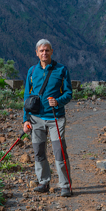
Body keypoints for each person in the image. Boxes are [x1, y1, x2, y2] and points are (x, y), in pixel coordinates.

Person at [23, 39, 74, 196]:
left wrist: (58, 101)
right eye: (41, 51)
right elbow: (27, 96)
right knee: (38, 152)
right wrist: (25, 119)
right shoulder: (32, 71)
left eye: (47, 50)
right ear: (37, 53)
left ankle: (65, 185)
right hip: (35, 118)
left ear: (52, 51)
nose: (44, 53)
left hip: (55, 118)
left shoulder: (62, 70)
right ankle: (43, 182)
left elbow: (69, 93)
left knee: (59, 152)